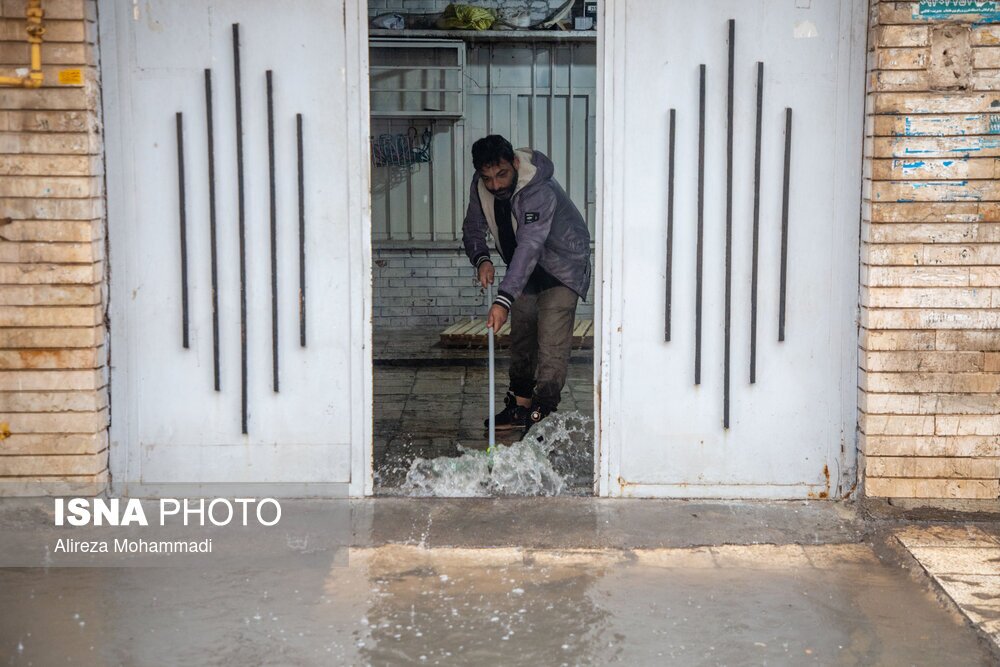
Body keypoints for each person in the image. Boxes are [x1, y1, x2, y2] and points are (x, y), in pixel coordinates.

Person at [462, 135, 592, 430]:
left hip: (562, 269)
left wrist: (503, 298)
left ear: (515, 163)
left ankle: (542, 413)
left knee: (550, 343)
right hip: (523, 270)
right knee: (521, 339)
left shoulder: (538, 189)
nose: (495, 185)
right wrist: (481, 258)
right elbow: (473, 225)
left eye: (502, 174)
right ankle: (519, 408)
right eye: (488, 178)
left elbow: (531, 244)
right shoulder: (481, 184)